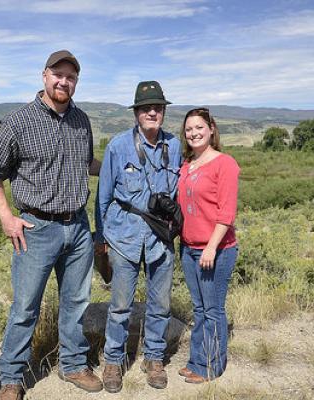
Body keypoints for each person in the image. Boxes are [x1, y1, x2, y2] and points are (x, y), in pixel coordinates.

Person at [0, 50, 102, 400]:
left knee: (77, 301)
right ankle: (11, 376)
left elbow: (88, 163)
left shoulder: (81, 120)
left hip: (78, 226)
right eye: (58, 74)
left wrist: (124, 161)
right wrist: (7, 218)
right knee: (25, 307)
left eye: (71, 77)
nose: (64, 81)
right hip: (36, 229)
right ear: (44, 76)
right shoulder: (18, 121)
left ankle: (74, 364)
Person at [94, 81, 181, 392]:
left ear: (164, 112)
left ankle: (154, 358)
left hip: (161, 238)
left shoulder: (175, 146)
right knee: (120, 305)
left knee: (160, 303)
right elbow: (103, 196)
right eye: (146, 108)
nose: (152, 112)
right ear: (136, 113)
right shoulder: (118, 146)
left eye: (157, 107)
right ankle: (113, 361)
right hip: (123, 236)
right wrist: (100, 238)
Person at [177, 107, 240, 383]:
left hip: (215, 250)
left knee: (213, 309)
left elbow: (226, 213)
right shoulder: (187, 165)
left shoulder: (225, 163)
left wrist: (211, 247)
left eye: (199, 128)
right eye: (189, 129)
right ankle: (196, 361)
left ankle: (212, 366)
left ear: (211, 128)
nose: (194, 133)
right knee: (199, 309)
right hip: (188, 248)